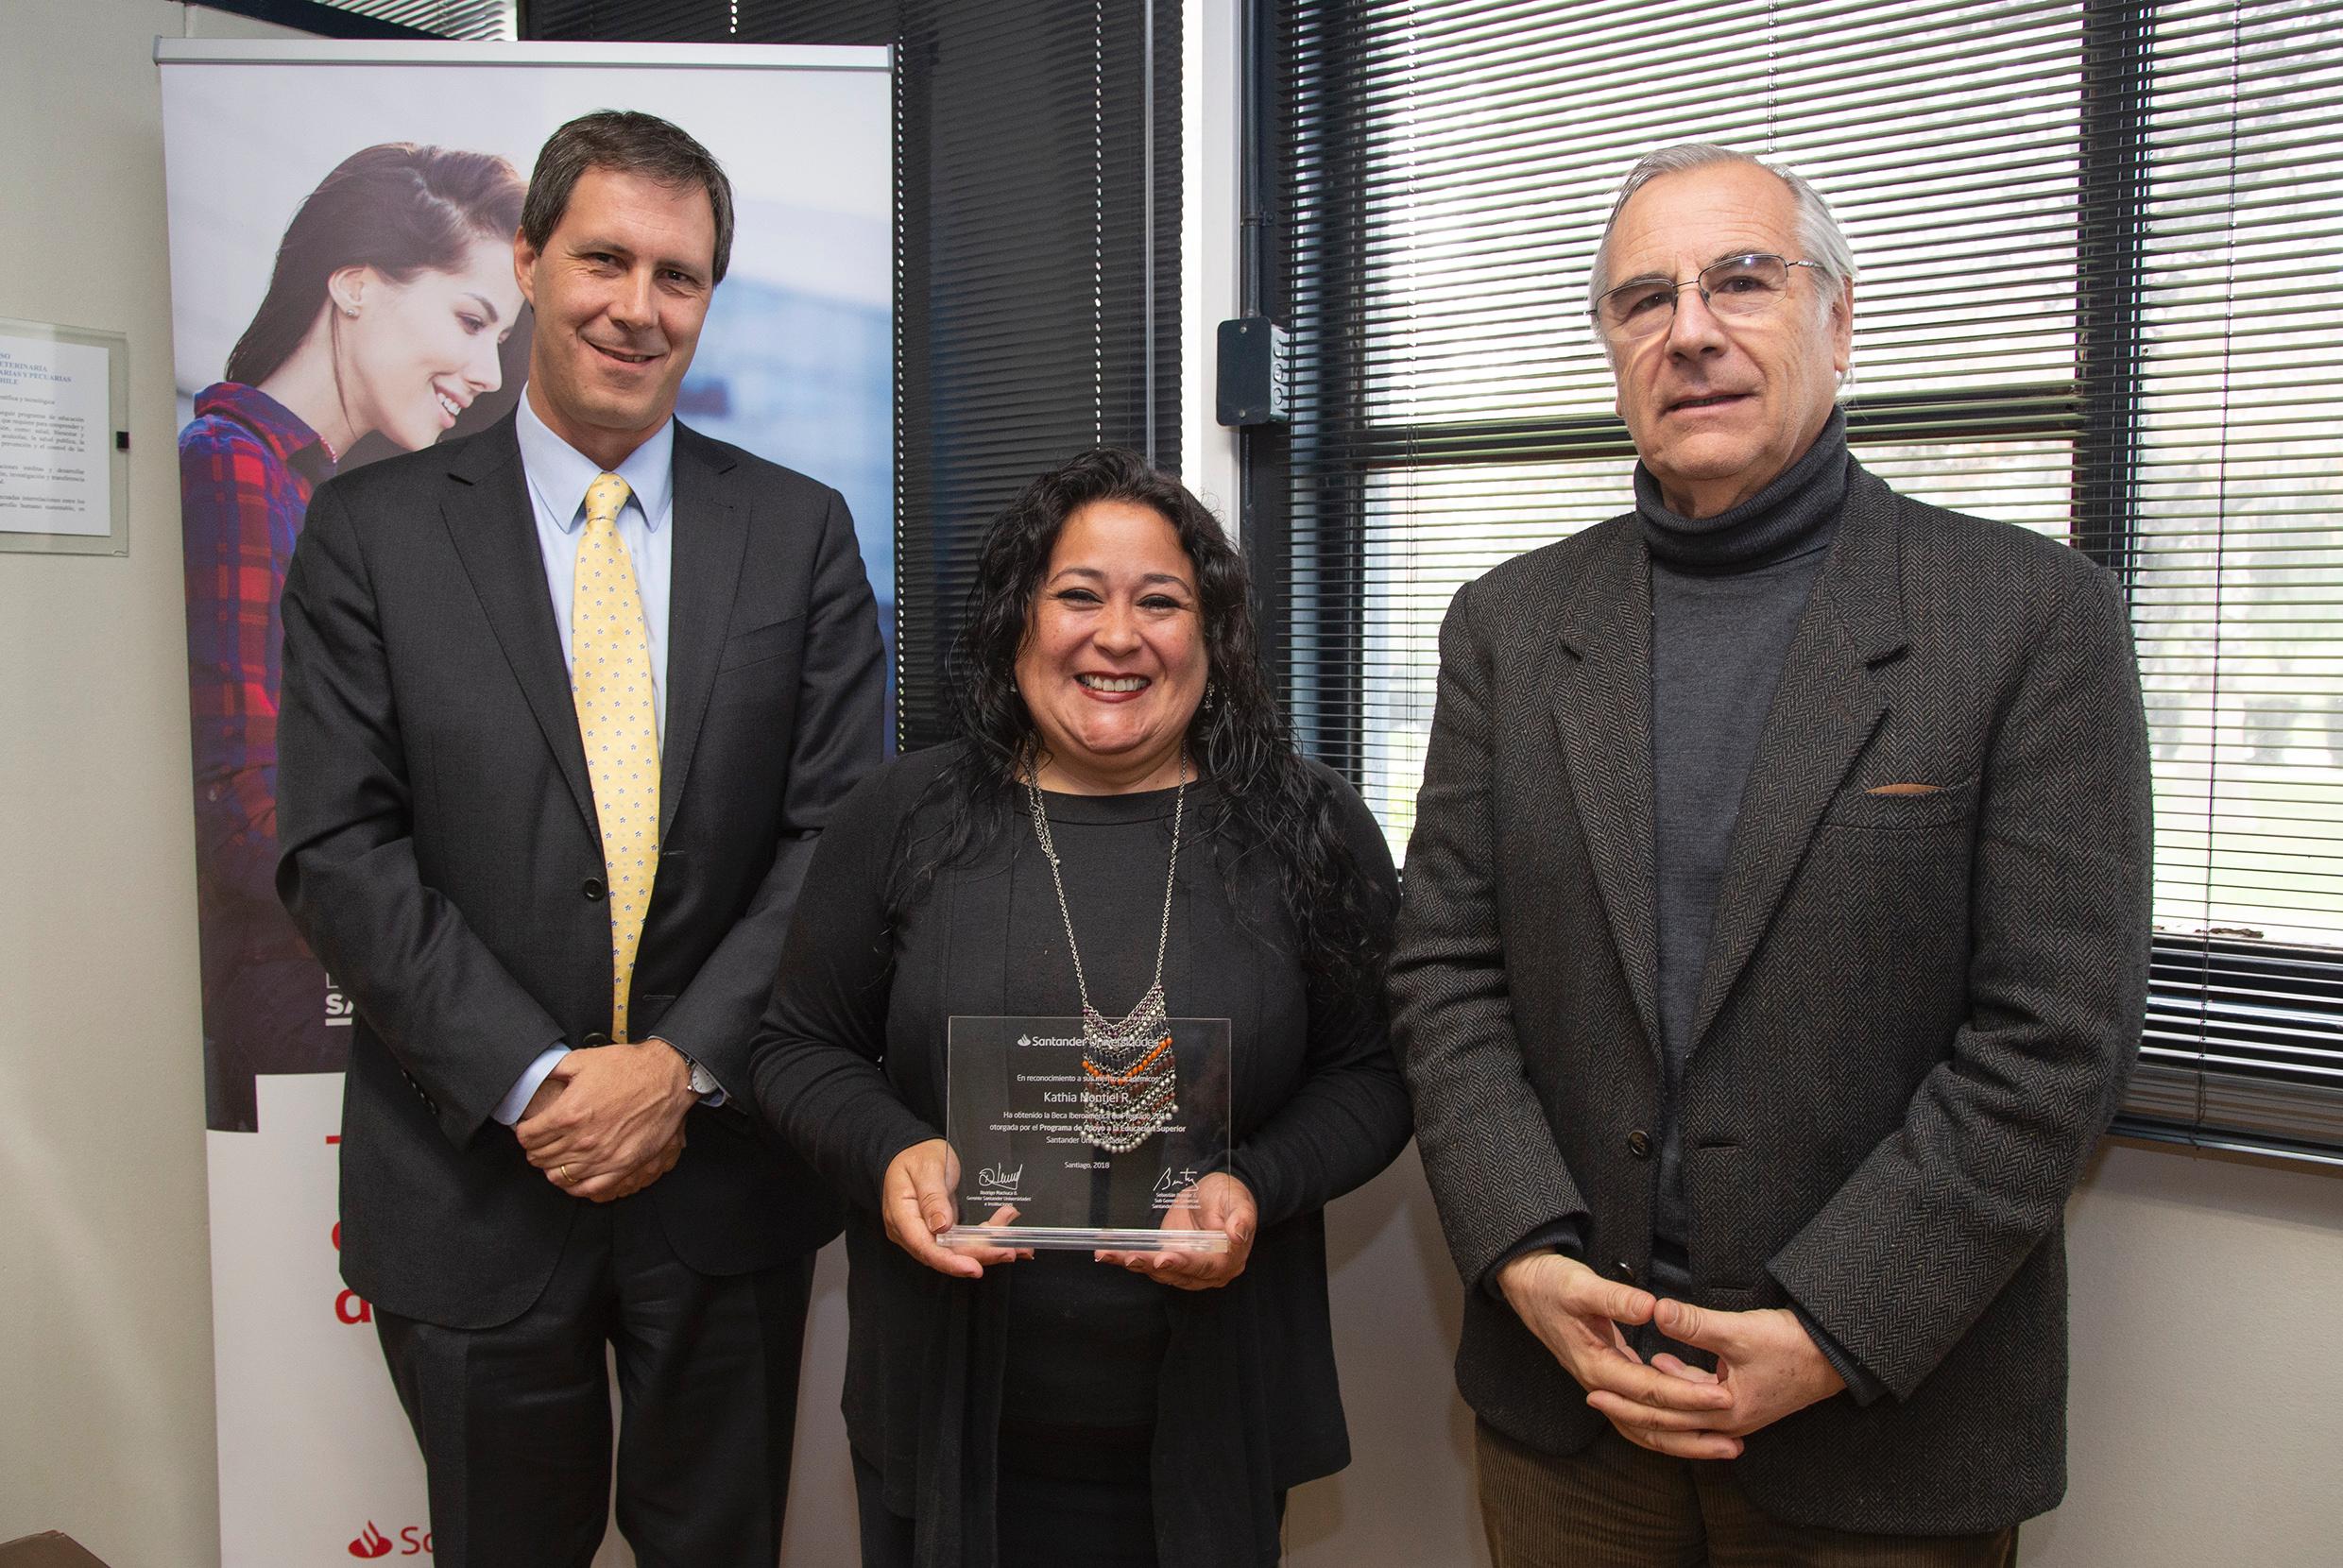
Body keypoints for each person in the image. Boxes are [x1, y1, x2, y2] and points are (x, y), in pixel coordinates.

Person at [1390, 143, 2151, 1564]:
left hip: (1882, 1425)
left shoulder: (2030, 617)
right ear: (1614, 347)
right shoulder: (1507, 626)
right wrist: (1526, 1257)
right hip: (1576, 1407)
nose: (1691, 330)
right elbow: (1446, 973)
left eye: (1743, 279)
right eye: (1643, 300)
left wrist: (1830, 1326)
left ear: (1838, 319)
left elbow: (2056, 1038)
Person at [274, 111, 884, 1568]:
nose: (638, 304)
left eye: (679, 275)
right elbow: (339, 847)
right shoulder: (368, 529)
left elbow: (837, 838)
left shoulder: (797, 533)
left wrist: (676, 1072)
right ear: (534, 262)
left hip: (723, 1180)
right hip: (474, 1177)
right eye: (605, 258)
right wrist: (543, 1080)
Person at [751, 447, 1411, 1568]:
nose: (1117, 637)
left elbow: (1375, 1075)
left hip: (1210, 1418)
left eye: (1160, 601)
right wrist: (891, 1152)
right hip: (947, 1411)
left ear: (1211, 633)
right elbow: (797, 1046)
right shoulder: (902, 815)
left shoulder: (1309, 825)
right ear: (1019, 619)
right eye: (1076, 596)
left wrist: (1253, 1186)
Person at [180, 142, 526, 1132]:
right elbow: (244, 801)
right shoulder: (235, 471)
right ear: (355, 284)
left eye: (499, 335)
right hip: (298, 1001)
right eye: (469, 320)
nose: (484, 369)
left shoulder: (321, 498)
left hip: (342, 981)